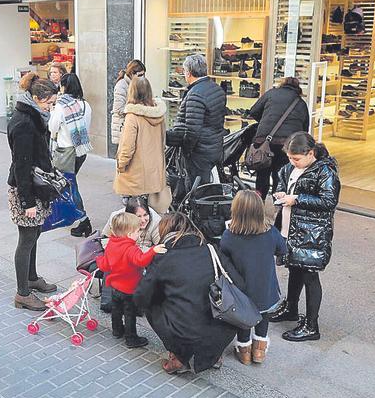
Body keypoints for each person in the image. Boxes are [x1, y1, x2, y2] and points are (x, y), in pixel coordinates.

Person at [134, 212, 241, 374]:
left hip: (183, 331)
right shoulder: (211, 249)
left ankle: (178, 357)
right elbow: (239, 283)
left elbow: (142, 295)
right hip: (221, 325)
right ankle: (214, 356)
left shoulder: (164, 257)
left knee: (152, 304)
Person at [269, 132, 340, 342]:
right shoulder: (291, 168)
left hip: (312, 233)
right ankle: (291, 308)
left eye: (296, 158)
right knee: (294, 269)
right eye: (290, 158)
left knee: (309, 276)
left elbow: (328, 202)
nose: (292, 162)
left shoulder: (325, 171)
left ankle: (311, 325)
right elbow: (281, 180)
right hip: (291, 228)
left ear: (310, 153)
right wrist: (281, 193)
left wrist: (297, 199)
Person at [7, 73, 59, 311]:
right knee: (26, 238)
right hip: (25, 189)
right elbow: (21, 165)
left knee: (34, 233)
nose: (52, 107)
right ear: (37, 98)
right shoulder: (24, 123)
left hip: (36, 185)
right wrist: (27, 201)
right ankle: (22, 293)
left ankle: (31, 277)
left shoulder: (34, 116)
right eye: (49, 103)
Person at [219, 190, 287, 365]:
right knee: (263, 316)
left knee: (244, 319)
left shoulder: (229, 236)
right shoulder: (270, 232)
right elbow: (282, 250)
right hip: (266, 288)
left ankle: (244, 350)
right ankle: (259, 351)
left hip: (242, 291)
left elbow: (223, 258)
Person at [96, 212, 165, 348]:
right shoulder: (131, 249)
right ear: (129, 234)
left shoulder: (111, 244)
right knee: (130, 314)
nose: (139, 233)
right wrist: (153, 250)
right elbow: (141, 261)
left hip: (115, 286)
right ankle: (131, 338)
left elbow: (105, 264)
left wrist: (98, 260)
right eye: (137, 231)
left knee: (116, 310)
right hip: (130, 289)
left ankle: (117, 330)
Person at [114, 76, 170, 214]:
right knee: (150, 211)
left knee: (134, 212)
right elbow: (163, 142)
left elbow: (127, 147)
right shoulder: (159, 115)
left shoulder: (133, 116)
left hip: (136, 172)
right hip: (155, 170)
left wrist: (121, 165)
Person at [247, 76, 310, 199]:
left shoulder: (271, 94)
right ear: (298, 89)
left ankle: (259, 203)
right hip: (286, 144)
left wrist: (265, 122)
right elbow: (304, 129)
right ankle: (278, 207)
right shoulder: (300, 103)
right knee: (280, 175)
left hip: (264, 140)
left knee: (262, 173)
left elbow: (253, 111)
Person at [48, 73, 93, 237]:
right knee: (68, 185)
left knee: (69, 186)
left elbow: (52, 127)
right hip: (81, 151)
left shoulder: (62, 106)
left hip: (65, 152)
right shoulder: (86, 105)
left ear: (65, 87)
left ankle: (83, 220)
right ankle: (69, 215)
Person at [174, 54, 226, 189]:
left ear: (189, 73)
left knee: (196, 189)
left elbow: (192, 131)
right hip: (214, 146)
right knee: (208, 187)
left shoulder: (195, 95)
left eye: (184, 72)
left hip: (200, 152)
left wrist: (187, 150)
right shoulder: (217, 88)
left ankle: (196, 209)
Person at [111, 59, 145, 146]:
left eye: (143, 74)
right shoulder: (121, 85)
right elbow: (118, 109)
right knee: (124, 156)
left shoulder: (136, 84)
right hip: (122, 126)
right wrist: (136, 109)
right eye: (140, 75)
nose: (142, 77)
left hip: (132, 125)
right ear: (132, 73)